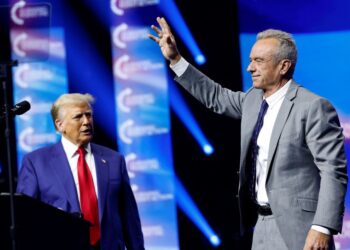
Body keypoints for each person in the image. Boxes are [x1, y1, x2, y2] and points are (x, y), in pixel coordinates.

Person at [149, 17, 348, 250]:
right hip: (261, 225)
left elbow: (333, 171)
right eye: (250, 60)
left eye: (258, 61)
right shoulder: (253, 100)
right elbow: (216, 97)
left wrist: (322, 227)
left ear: (283, 66)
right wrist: (176, 60)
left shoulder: (313, 106)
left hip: (301, 229)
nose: (249, 67)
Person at [16, 93, 145, 250]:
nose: (86, 122)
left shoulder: (114, 160)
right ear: (59, 125)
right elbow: (26, 218)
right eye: (78, 117)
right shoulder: (36, 162)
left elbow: (130, 218)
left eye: (88, 115)